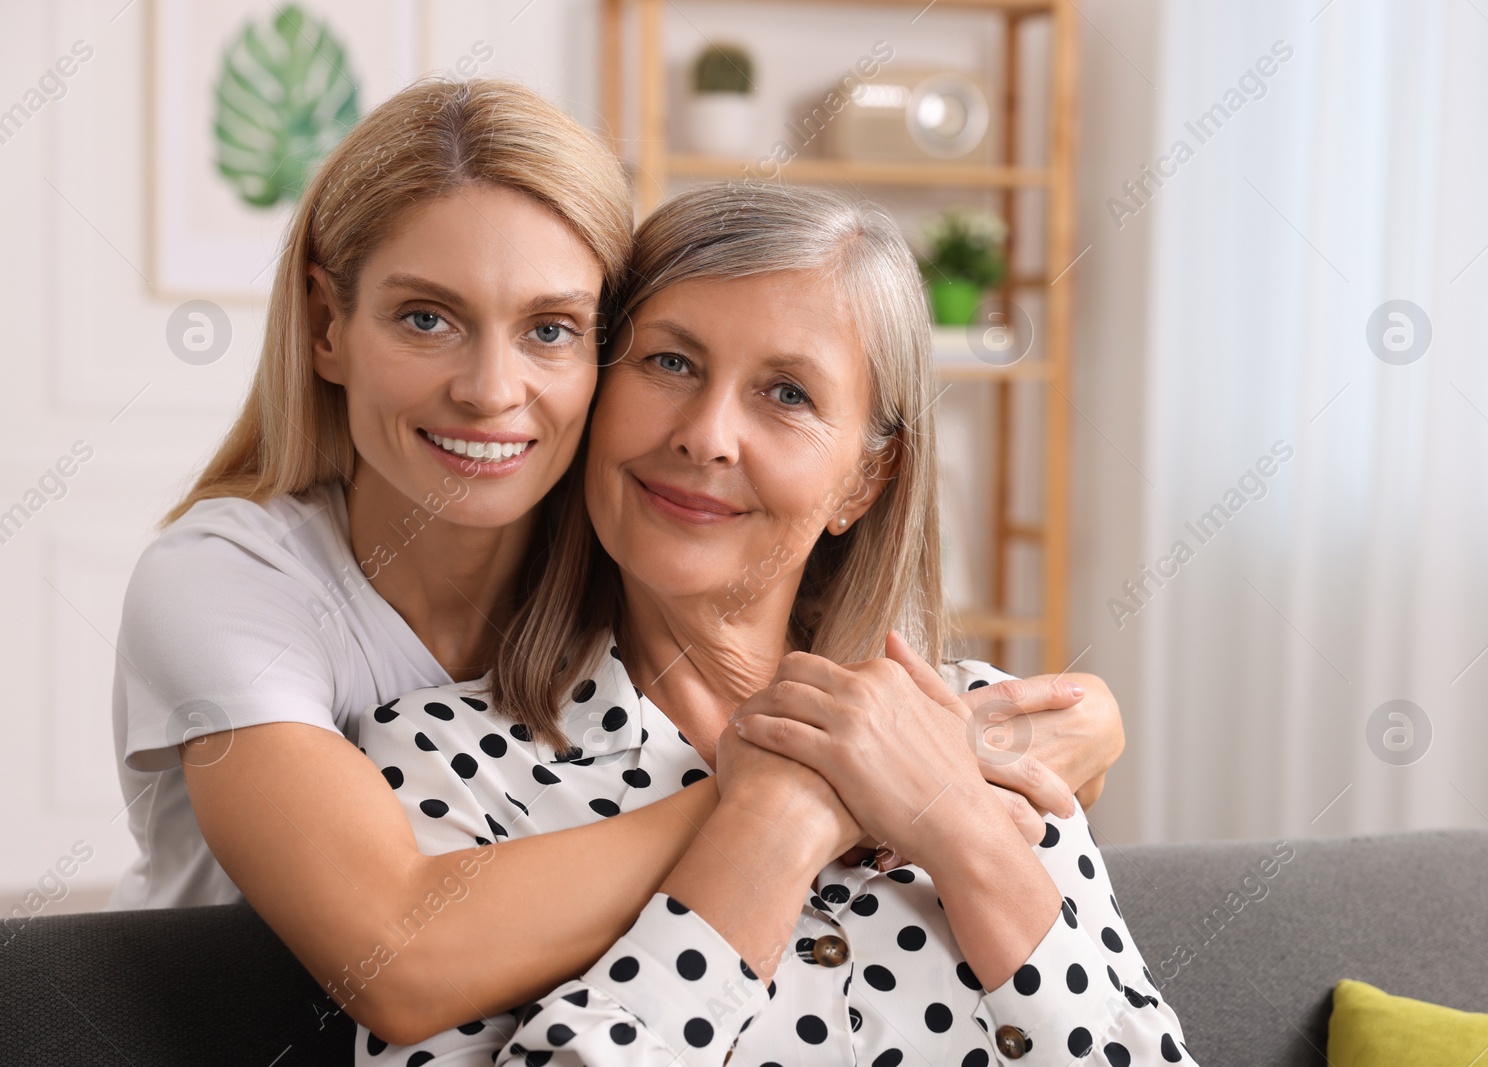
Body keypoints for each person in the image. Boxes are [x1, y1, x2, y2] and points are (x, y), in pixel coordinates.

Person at [108, 78, 1126, 1044]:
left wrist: (1055, 725)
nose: (490, 390)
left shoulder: (618, 542)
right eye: (427, 317)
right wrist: (810, 789)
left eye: (551, 328)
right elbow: (400, 956)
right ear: (328, 324)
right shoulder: (229, 581)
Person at [354, 183, 1194, 1065]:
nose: (707, 436)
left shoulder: (977, 726)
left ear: (866, 480)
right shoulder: (440, 760)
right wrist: (782, 816)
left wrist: (962, 824)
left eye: (787, 393)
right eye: (670, 363)